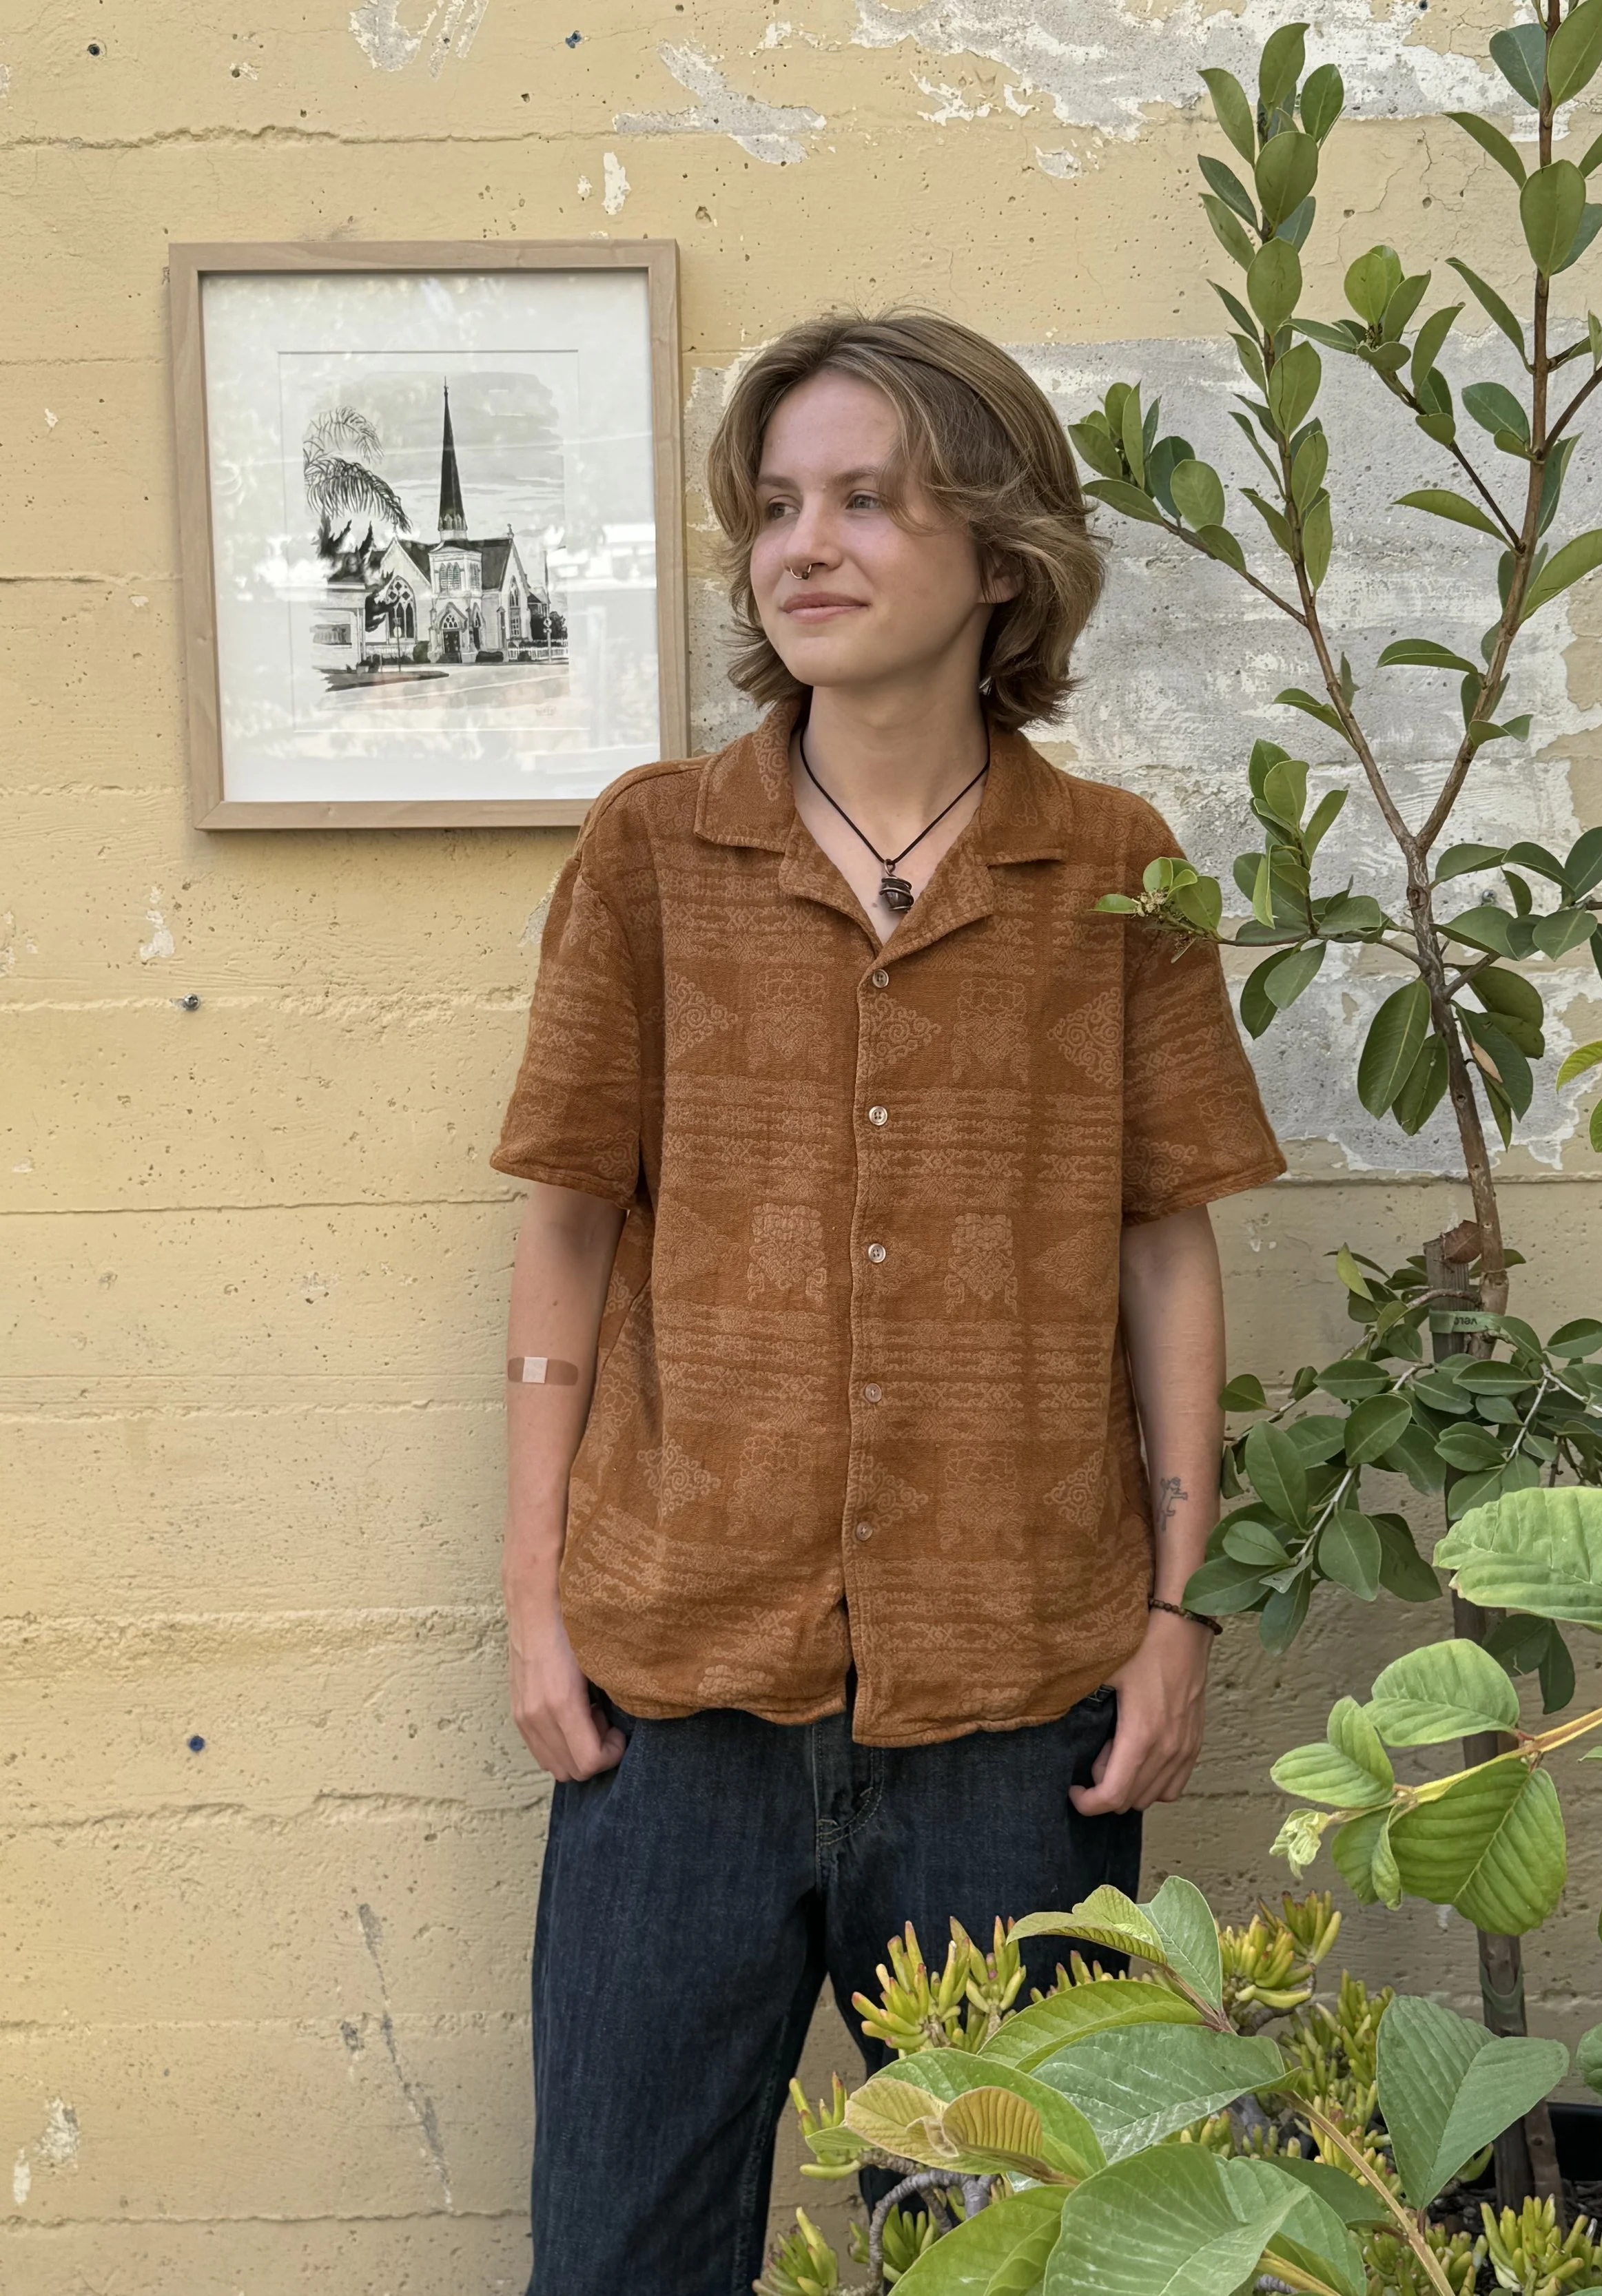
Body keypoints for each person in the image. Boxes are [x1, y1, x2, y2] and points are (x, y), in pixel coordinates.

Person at [491, 311, 1285, 2295]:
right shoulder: (653, 849)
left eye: (864, 498)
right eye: (772, 506)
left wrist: (1180, 1609)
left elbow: (1163, 1240)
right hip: (673, 1705)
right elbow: (571, 1228)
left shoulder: (1114, 871)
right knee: (618, 2257)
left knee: (1023, 2260)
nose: (802, 544)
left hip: (1017, 1717)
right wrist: (533, 1609)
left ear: (998, 550)